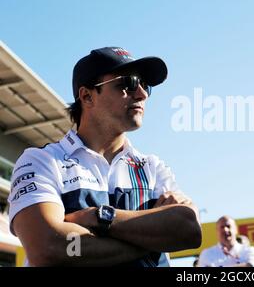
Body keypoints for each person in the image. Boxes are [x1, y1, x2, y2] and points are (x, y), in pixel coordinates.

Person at [8, 47, 202, 266]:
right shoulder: (42, 161)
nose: (142, 93)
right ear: (87, 96)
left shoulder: (153, 167)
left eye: (144, 84)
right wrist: (154, 241)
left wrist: (100, 217)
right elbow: (49, 248)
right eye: (128, 82)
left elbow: (189, 230)